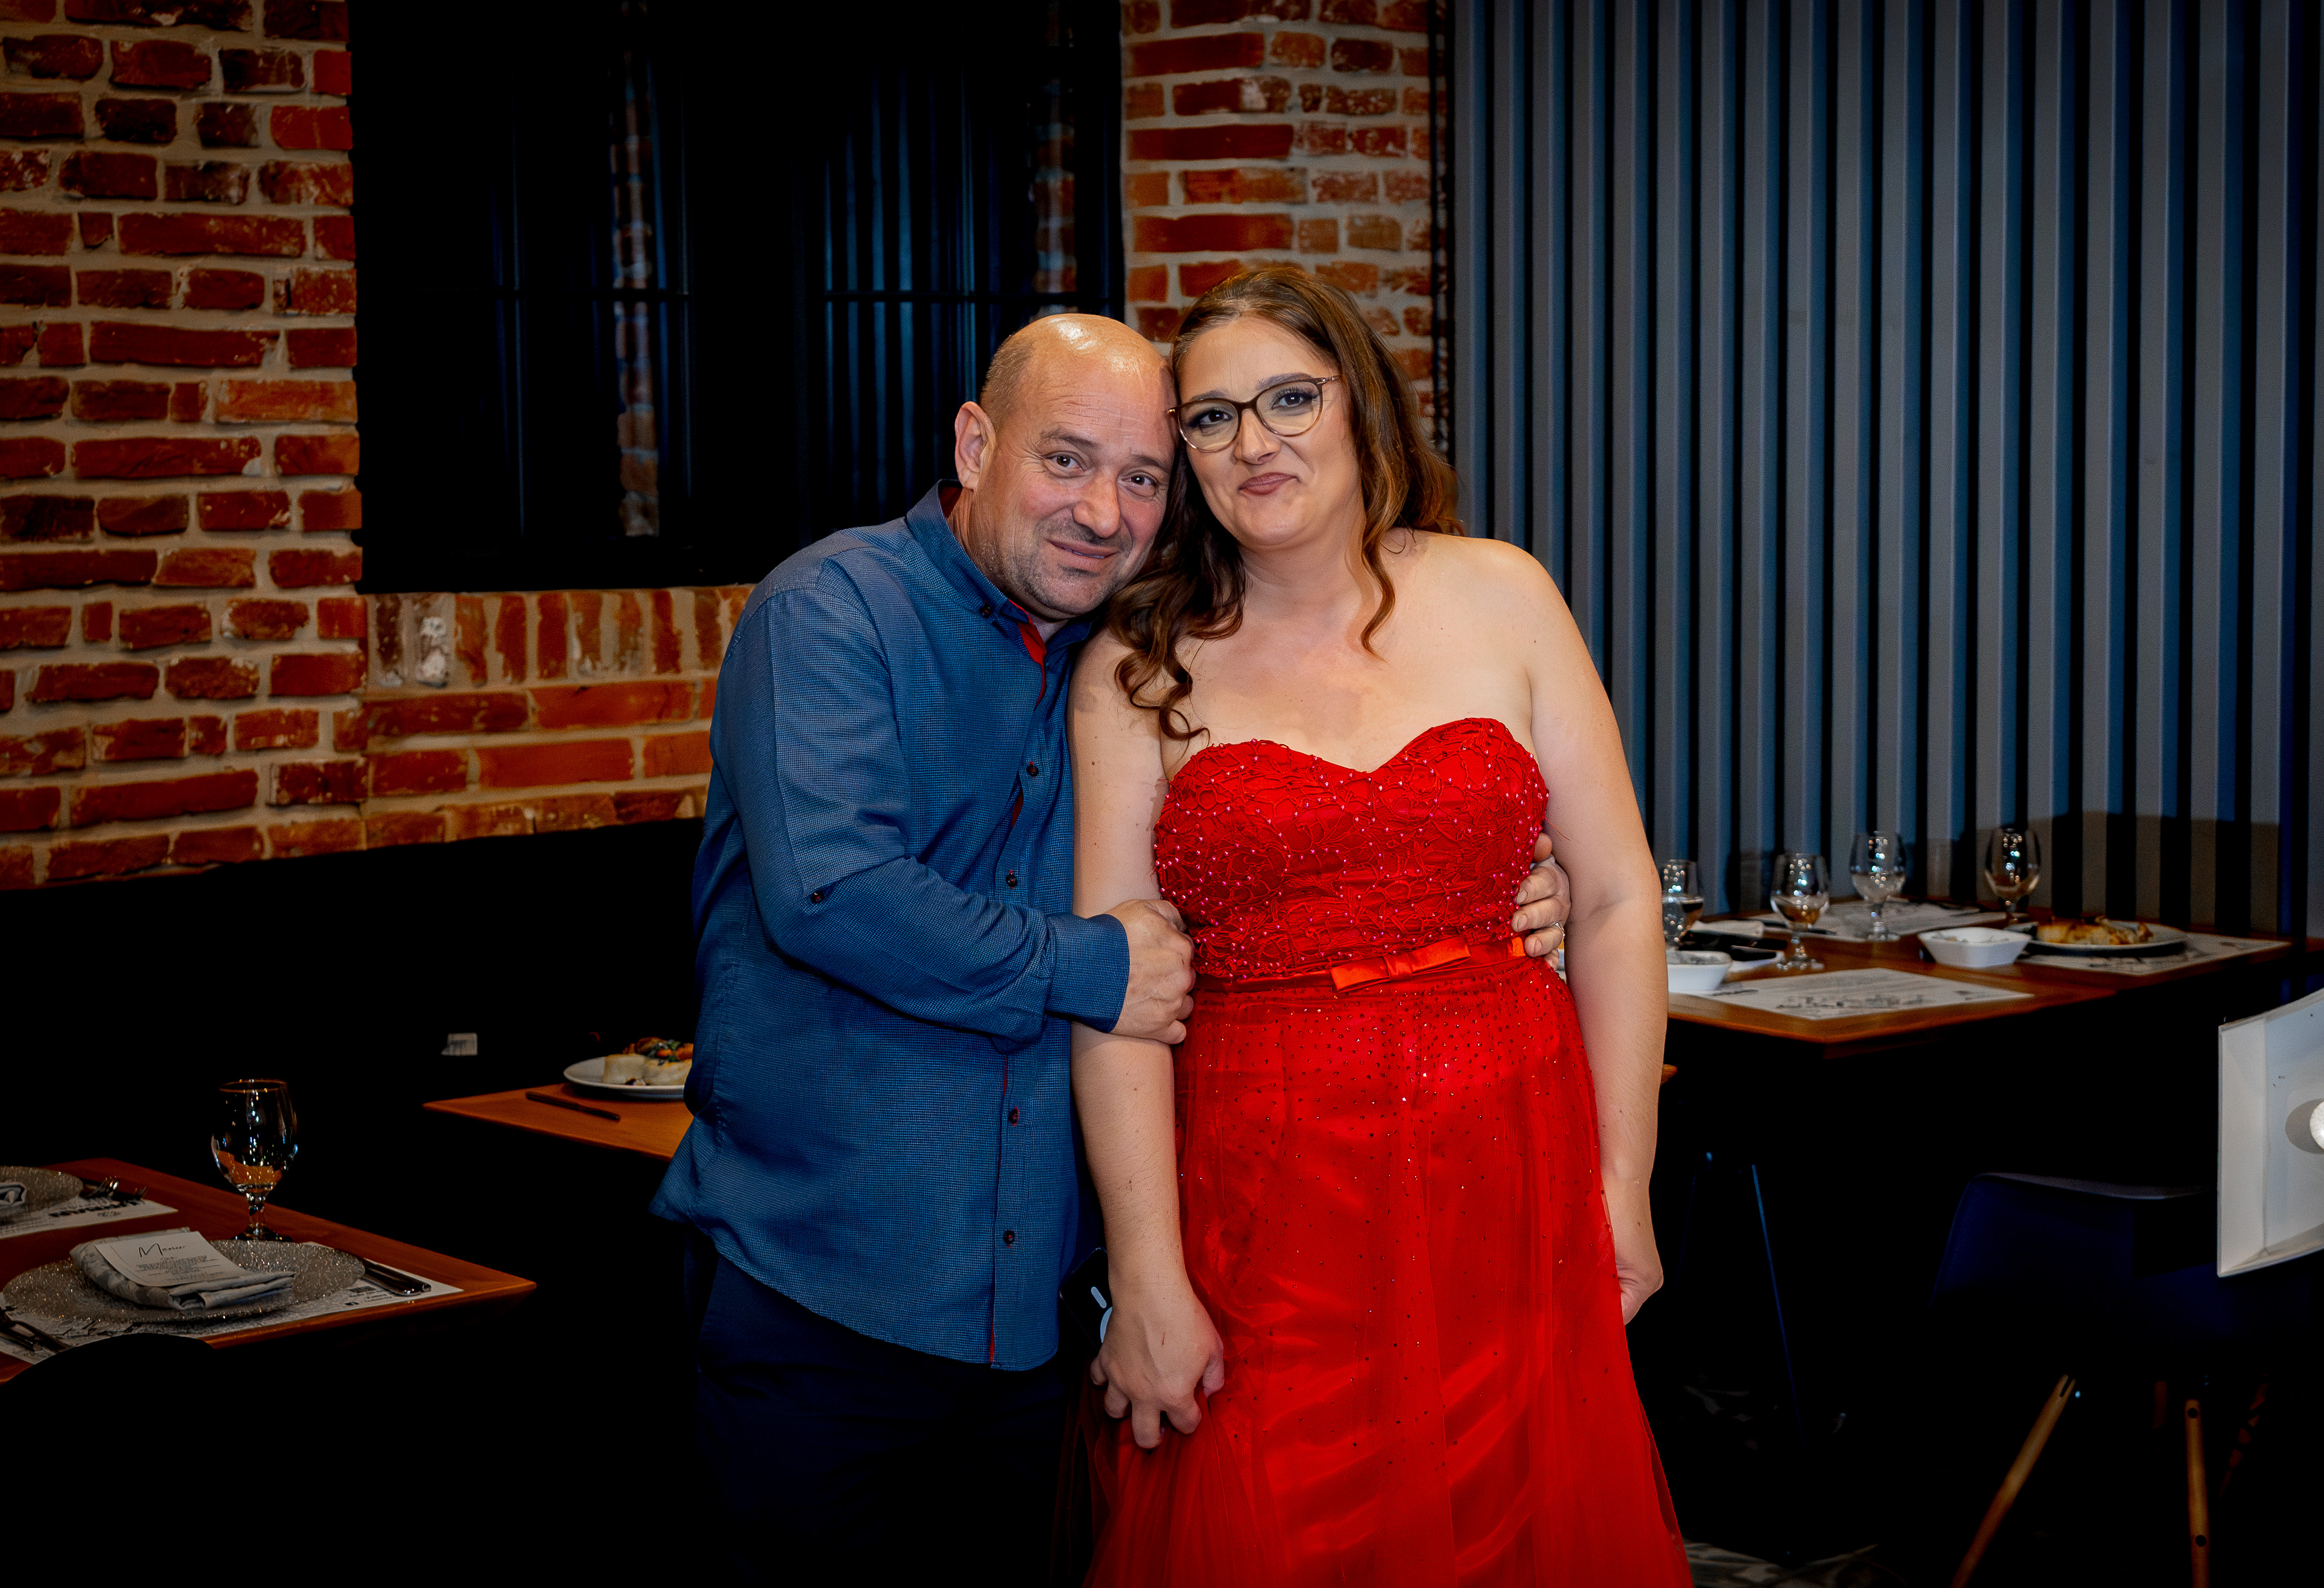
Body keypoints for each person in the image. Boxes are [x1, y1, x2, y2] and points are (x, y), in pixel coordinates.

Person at [648, 312, 1572, 1582]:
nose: (1102, 511)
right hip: (828, 1293)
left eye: (1143, 477)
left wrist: (1506, 878)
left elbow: (1256, 866)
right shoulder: (831, 609)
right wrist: (1092, 967)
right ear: (975, 446)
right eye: (1066, 460)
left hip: (1042, 1314)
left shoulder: (1134, 651)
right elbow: (834, 894)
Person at [1067, 266, 1685, 1585]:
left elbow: (1615, 896)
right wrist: (1147, 1277)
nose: (1254, 441)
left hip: (1508, 1186)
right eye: (1211, 417)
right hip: (1266, 1216)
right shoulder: (1135, 666)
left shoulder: (1503, 594)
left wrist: (1619, 1186)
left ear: (1361, 403)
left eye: (1289, 399)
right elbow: (1115, 996)